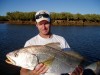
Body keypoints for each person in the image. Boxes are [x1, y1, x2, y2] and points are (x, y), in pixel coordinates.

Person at [20, 10, 83, 75]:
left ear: (51, 23)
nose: (44, 27)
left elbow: (71, 59)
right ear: (36, 25)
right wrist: (32, 73)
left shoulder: (61, 40)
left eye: (46, 23)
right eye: (40, 24)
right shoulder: (30, 44)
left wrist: (75, 73)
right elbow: (23, 72)